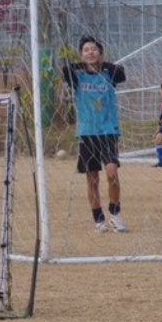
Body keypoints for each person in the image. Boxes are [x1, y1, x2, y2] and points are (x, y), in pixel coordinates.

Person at [61, 36, 127, 234]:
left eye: (94, 49)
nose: (90, 52)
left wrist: (101, 64)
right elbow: (65, 70)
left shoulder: (109, 74)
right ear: (81, 54)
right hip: (87, 133)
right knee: (92, 178)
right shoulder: (78, 76)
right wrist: (86, 64)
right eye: (86, 50)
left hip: (108, 131)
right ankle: (98, 218)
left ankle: (115, 214)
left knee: (112, 173)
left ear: (100, 53)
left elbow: (121, 73)